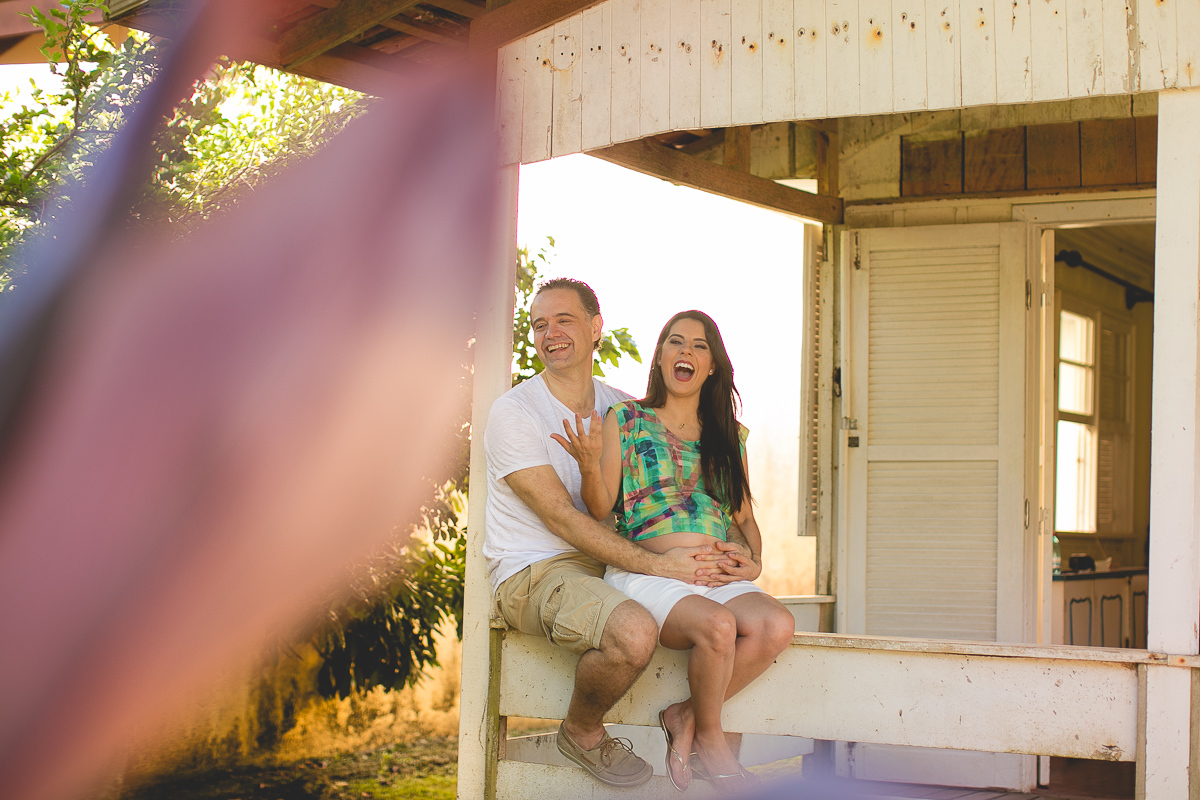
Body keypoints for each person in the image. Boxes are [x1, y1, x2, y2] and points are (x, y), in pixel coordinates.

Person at [482, 281, 755, 788]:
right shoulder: (514, 413)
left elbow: (687, 497)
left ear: (594, 328)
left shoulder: (622, 410)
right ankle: (582, 731)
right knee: (634, 632)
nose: (551, 334)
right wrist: (660, 566)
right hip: (535, 571)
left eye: (564, 320)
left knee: (738, 625)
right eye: (540, 325)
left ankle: (700, 732)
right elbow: (565, 520)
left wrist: (733, 556)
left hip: (610, 564)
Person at [554, 310, 795, 793]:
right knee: (718, 627)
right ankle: (710, 739)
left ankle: (684, 714)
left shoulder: (730, 437)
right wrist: (586, 466)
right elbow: (601, 504)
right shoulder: (627, 418)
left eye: (699, 346)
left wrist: (756, 560)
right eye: (674, 341)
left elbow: (745, 519)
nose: (685, 351)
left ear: (712, 366)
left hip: (713, 576)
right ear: (660, 357)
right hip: (648, 573)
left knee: (776, 625)